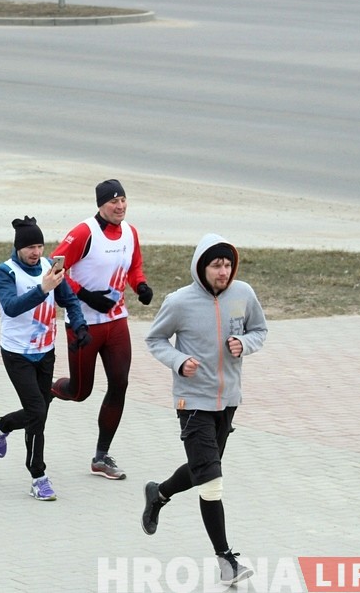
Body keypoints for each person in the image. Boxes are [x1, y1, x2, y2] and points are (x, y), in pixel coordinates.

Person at [142, 234, 268, 585]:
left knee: (203, 469)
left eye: (227, 264)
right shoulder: (179, 302)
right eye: (216, 265)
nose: (223, 271)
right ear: (202, 267)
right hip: (193, 402)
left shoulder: (244, 294)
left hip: (228, 401)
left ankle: (159, 493)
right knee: (211, 481)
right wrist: (179, 361)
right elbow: (155, 339)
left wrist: (244, 343)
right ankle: (226, 560)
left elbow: (260, 330)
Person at [49, 179, 153, 480]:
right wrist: (85, 295)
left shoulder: (130, 232)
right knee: (80, 391)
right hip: (84, 324)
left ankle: (101, 456)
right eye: (113, 201)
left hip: (116, 321)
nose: (120, 206)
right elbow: (55, 268)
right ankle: (47, 388)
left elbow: (134, 267)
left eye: (123, 200)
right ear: (101, 204)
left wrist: (141, 286)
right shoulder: (84, 233)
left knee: (120, 383)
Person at [0, 217, 90, 501]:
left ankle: (0, 425)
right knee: (37, 411)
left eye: (40, 246)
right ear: (18, 248)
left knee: (39, 414)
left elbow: (69, 299)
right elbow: (11, 307)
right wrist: (42, 289)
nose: (36, 252)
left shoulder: (50, 267)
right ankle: (38, 476)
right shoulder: (5, 272)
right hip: (17, 353)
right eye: (30, 247)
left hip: (45, 352)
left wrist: (80, 327)